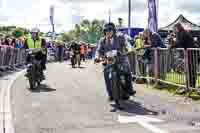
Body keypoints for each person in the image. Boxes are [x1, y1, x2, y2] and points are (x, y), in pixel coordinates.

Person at [94, 22, 136, 102]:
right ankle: (110, 94)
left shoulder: (120, 37)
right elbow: (98, 50)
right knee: (106, 73)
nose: (108, 32)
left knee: (127, 69)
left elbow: (127, 45)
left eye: (110, 30)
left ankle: (130, 89)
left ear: (113, 30)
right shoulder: (102, 40)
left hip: (121, 59)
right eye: (106, 30)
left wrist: (129, 49)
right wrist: (97, 57)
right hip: (109, 61)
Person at [173, 23, 197, 89]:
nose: (174, 30)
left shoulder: (182, 33)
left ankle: (191, 85)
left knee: (191, 69)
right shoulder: (182, 33)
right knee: (189, 70)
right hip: (188, 52)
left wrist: (171, 46)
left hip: (191, 52)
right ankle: (189, 85)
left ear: (177, 28)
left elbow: (180, 42)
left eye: (174, 28)